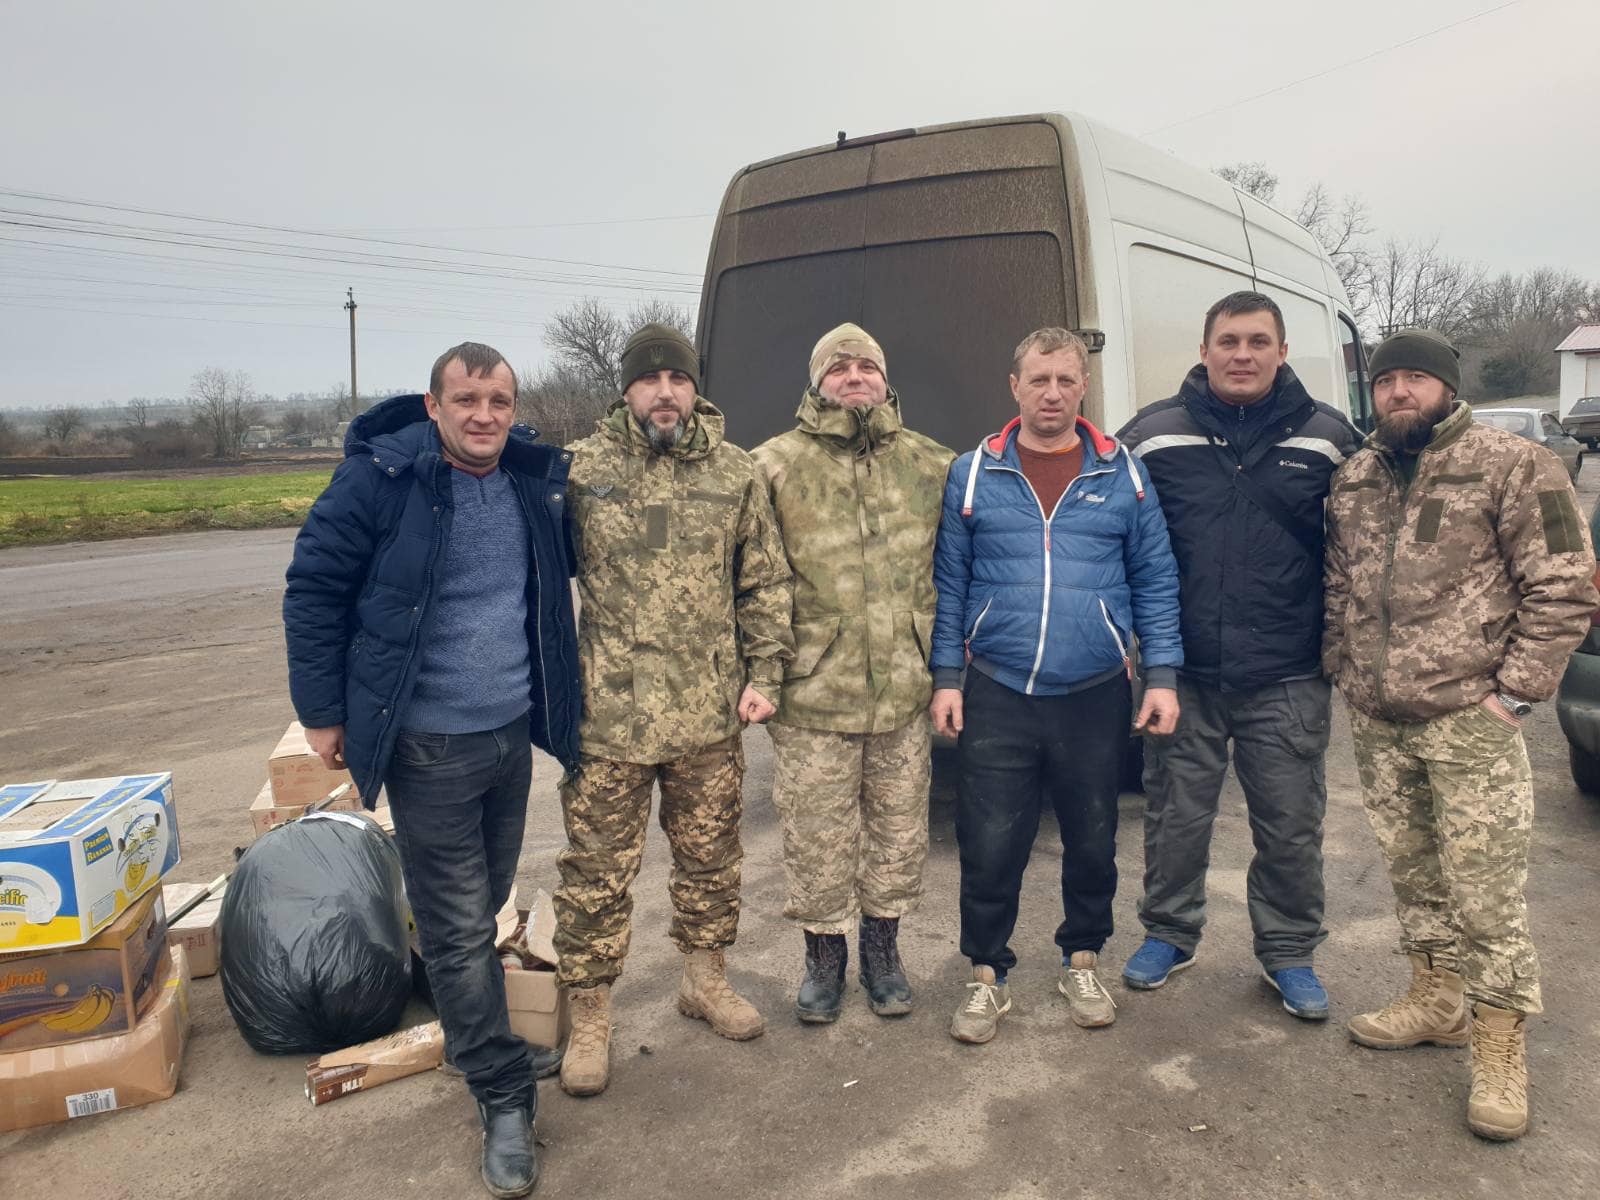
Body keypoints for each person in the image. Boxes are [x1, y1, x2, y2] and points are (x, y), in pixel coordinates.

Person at [284, 342, 578, 1199]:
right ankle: (500, 1091)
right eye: (467, 399)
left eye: (498, 400)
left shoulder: (529, 479)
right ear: (433, 404)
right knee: (455, 925)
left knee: (484, 902)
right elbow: (313, 590)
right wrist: (324, 712)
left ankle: (469, 1027)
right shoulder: (383, 480)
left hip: (508, 734)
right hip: (427, 743)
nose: (484, 415)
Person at [1325, 328, 1596, 1141]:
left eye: (1415, 379)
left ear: (1446, 387)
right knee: (1416, 877)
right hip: (1381, 721)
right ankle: (1437, 1000)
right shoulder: (1356, 477)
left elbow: (1567, 586)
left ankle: (1499, 1045)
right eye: (1386, 381)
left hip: (1470, 720)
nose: (1399, 392)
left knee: (1486, 894)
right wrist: (1345, 667)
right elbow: (1341, 583)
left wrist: (1514, 698)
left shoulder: (1515, 465)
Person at [555, 322, 793, 1097]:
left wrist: (765, 672)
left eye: (678, 379)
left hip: (706, 716)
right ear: (626, 389)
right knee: (595, 875)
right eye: (650, 379)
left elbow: (764, 582)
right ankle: (590, 1016)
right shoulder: (583, 472)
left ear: (695, 389)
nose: (666, 392)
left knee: (711, 862)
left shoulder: (735, 473)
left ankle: (704, 979)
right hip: (609, 722)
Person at [929, 326, 1182, 1044]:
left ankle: (1082, 956)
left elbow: (1155, 580)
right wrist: (947, 677)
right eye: (1039, 380)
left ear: (1084, 387)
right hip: (998, 688)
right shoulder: (972, 473)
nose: (1052, 393)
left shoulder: (1122, 472)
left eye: (1066, 380)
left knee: (1093, 837)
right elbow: (950, 587)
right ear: (1014, 386)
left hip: (1095, 689)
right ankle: (986, 974)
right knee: (989, 841)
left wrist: (1159, 676)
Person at [1116, 291, 1360, 1020]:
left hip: (1286, 674)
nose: (1243, 355)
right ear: (1203, 350)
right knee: (1175, 815)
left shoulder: (1329, 437)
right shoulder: (1152, 436)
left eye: (1258, 341)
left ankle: (1288, 951)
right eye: (1228, 341)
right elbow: (1104, 531)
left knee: (1289, 823)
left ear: (1283, 352)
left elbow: (1373, 543)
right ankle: (1169, 932)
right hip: (1180, 674)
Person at [752, 323, 954, 1023]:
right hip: (813, 691)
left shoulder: (932, 464)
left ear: (886, 378)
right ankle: (823, 960)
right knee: (816, 835)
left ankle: (883, 953)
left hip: (904, 685)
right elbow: (754, 582)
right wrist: (763, 674)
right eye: (839, 367)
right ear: (817, 382)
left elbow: (958, 574)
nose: (855, 376)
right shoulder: (771, 467)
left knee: (899, 832)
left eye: (867, 365)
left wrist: (947, 665)